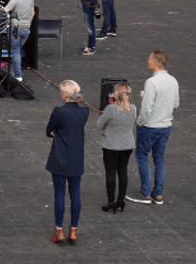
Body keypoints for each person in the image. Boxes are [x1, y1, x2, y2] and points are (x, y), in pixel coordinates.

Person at [127, 50, 179, 206]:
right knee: (159, 159)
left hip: (149, 126)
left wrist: (139, 122)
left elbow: (147, 108)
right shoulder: (173, 80)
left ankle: (145, 193)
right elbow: (175, 104)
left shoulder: (151, 82)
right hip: (166, 126)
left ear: (156, 63)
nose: (147, 61)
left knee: (142, 157)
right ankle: (158, 194)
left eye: (149, 59)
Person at [46, 80, 88, 246]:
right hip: (76, 158)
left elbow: (49, 130)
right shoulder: (84, 112)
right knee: (75, 194)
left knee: (59, 193)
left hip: (59, 156)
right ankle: (73, 230)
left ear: (63, 94)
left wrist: (56, 133)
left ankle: (59, 231)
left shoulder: (59, 111)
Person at [97, 82, 136, 213]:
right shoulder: (133, 108)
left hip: (111, 145)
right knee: (123, 171)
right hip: (127, 145)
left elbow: (99, 125)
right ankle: (120, 200)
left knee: (110, 172)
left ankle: (111, 202)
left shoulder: (111, 109)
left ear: (116, 94)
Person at [3, 0, 34, 82]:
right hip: (26, 29)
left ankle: (18, 75)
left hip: (15, 28)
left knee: (15, 51)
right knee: (17, 51)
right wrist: (27, 24)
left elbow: (4, 11)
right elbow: (32, 13)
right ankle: (12, 73)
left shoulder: (14, 0)